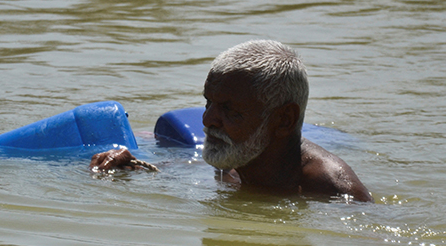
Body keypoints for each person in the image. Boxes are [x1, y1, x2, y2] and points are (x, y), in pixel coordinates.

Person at [90, 40, 372, 203]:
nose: (207, 119)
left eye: (229, 109)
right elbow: (189, 170)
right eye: (208, 102)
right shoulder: (239, 154)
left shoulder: (335, 191)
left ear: (284, 119)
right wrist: (131, 167)